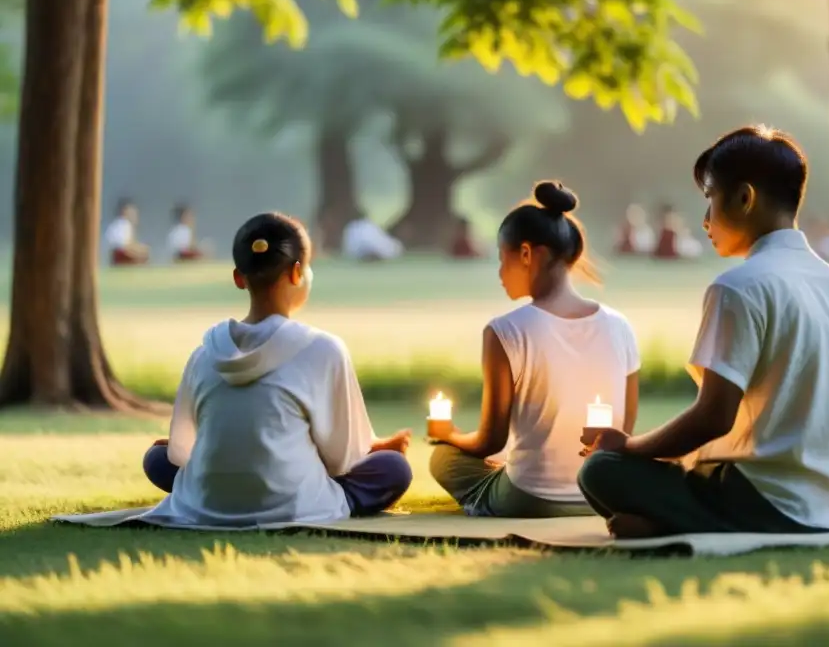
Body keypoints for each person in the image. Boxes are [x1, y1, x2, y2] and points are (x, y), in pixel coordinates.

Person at [577, 126, 829, 538]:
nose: (704, 220)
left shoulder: (738, 287)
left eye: (710, 199)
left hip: (776, 503)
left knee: (601, 469)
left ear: (744, 198)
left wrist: (627, 446)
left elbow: (713, 418)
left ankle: (682, 522)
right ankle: (668, 521)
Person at [140, 212, 413, 527]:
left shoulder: (202, 355)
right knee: (393, 468)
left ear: (238, 278)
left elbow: (180, 454)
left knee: (157, 459)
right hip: (294, 505)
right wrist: (377, 448)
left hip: (206, 504)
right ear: (298, 273)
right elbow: (340, 461)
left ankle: (222, 494)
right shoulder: (324, 349)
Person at [429, 181, 641, 517]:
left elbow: (490, 442)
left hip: (528, 497)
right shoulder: (621, 326)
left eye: (502, 259)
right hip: (600, 493)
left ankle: (484, 502)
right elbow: (623, 432)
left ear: (526, 254)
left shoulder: (505, 330)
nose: (499, 273)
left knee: (444, 457)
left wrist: (449, 433)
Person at [104, 198, 149, 266]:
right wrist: (141, 250)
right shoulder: (124, 224)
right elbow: (125, 246)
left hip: (117, 254)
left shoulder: (118, 223)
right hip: (121, 254)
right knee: (144, 253)